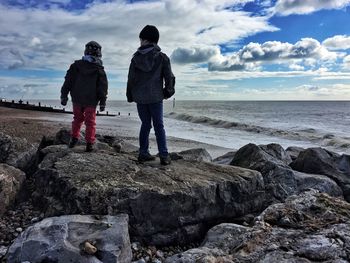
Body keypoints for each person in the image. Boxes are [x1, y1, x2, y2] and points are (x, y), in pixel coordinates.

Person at [127, 25, 175, 165]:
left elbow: (131, 79)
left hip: (140, 97)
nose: (140, 42)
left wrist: (130, 95)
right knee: (159, 125)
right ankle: (164, 155)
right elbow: (169, 78)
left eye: (141, 39)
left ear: (145, 40)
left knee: (145, 125)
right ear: (156, 41)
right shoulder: (162, 57)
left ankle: (143, 153)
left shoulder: (135, 58)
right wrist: (167, 92)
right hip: (155, 96)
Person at [60, 41, 108, 152]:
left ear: (86, 52)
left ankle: (74, 139)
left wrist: (64, 96)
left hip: (76, 98)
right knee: (90, 122)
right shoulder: (99, 69)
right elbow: (102, 87)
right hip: (91, 100)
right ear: (99, 54)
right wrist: (102, 102)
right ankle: (89, 143)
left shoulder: (75, 66)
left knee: (77, 119)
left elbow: (68, 82)